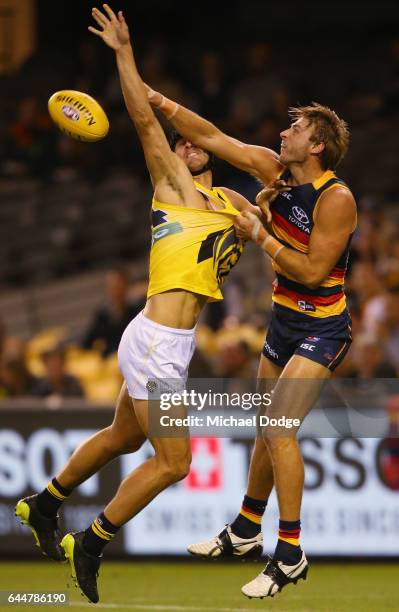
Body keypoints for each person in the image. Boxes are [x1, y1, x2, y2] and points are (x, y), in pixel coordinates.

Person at [14, 4, 259, 604]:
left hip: (161, 340)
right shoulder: (172, 185)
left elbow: (271, 213)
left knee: (124, 439)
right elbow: (144, 118)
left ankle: (43, 504)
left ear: (206, 146)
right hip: (155, 341)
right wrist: (124, 54)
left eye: (190, 140)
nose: (181, 145)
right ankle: (91, 541)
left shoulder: (229, 200)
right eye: (176, 144)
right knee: (175, 463)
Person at [148, 77, 357, 598]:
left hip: (323, 327)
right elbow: (216, 137)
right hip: (284, 323)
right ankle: (245, 529)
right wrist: (161, 103)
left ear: (317, 146)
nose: (284, 133)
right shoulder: (274, 172)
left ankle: (289, 552)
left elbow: (311, 273)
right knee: (266, 428)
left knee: (279, 428)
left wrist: (258, 233)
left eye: (296, 128)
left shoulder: (337, 199)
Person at [81, 267, 146, 357]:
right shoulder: (102, 316)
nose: (114, 290)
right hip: (111, 364)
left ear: (126, 286)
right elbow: (86, 343)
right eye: (111, 286)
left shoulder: (138, 312)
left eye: (118, 286)